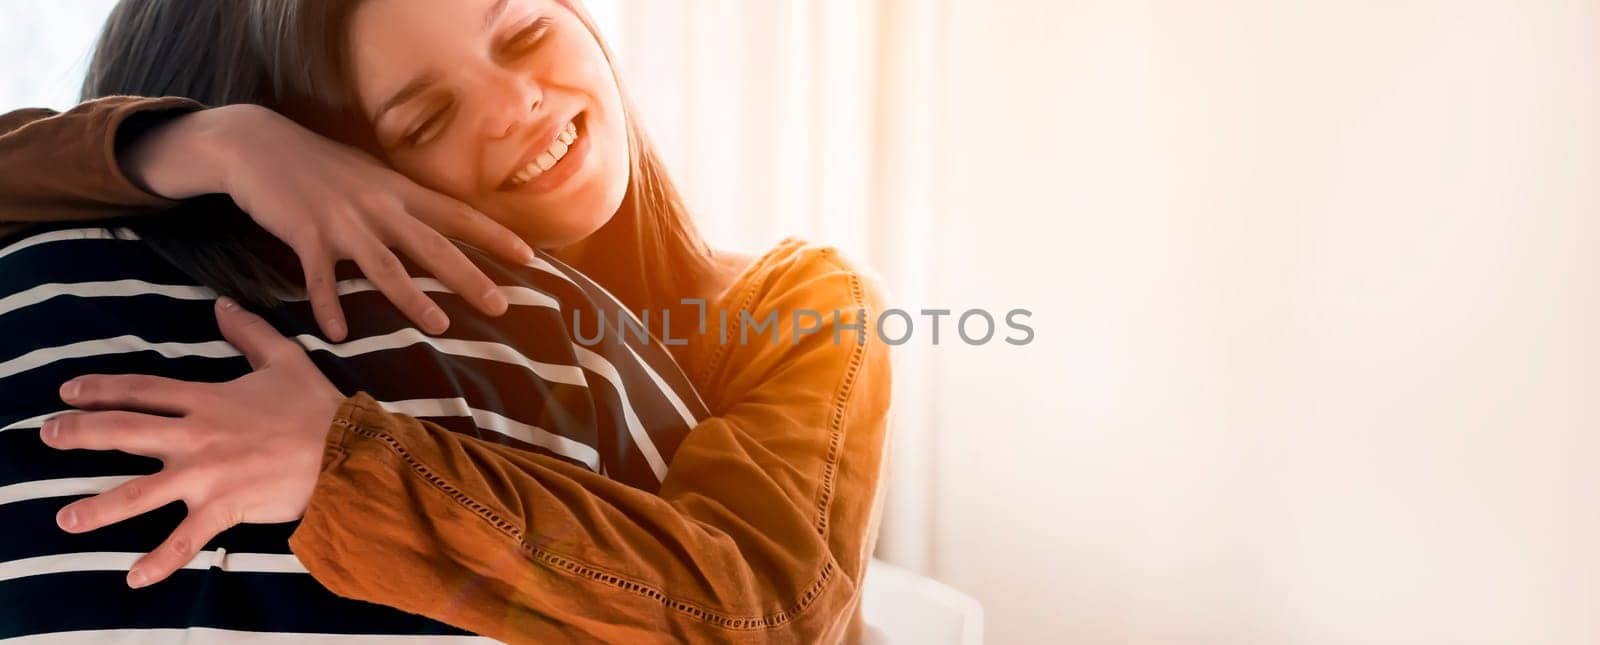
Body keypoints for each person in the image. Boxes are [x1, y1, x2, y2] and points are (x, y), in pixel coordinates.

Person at [0, 0, 893, 641]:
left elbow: (773, 612)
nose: (517, 107)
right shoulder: (395, 336)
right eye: (428, 117)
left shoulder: (798, 300)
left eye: (527, 33)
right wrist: (215, 143)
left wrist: (341, 465)